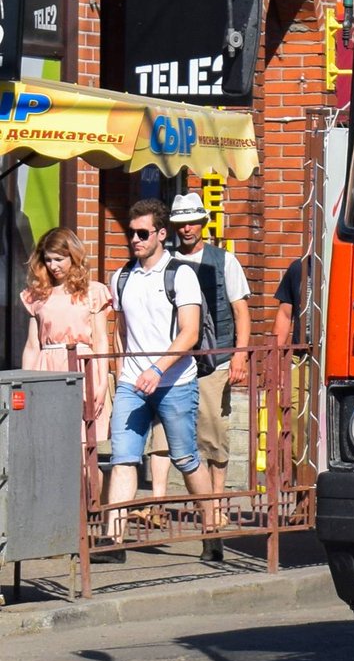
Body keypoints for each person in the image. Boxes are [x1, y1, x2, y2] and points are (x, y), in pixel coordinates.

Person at [99, 198, 217, 563]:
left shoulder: (180, 274)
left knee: (185, 458)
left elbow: (190, 333)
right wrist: (123, 371)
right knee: (123, 457)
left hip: (175, 382)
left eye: (142, 233)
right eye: (130, 233)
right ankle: (112, 540)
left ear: (161, 234)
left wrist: (157, 369)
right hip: (133, 384)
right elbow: (119, 328)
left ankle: (211, 531)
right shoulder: (121, 277)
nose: (134, 239)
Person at [144, 193, 249, 541]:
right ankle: (158, 504)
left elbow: (240, 311)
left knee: (213, 433)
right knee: (162, 432)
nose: (186, 228)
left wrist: (239, 355)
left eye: (192, 222)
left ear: (203, 223)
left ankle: (215, 504)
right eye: (180, 223)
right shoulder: (165, 260)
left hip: (213, 359)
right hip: (172, 362)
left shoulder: (223, 261)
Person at [18, 227, 112, 491]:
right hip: (48, 370)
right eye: (48, 259)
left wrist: (102, 382)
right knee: (51, 448)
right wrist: (27, 384)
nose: (53, 265)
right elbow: (32, 345)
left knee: (84, 450)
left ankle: (91, 514)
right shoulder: (37, 294)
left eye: (59, 258)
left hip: (83, 367)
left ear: (73, 256)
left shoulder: (93, 291)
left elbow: (101, 339)